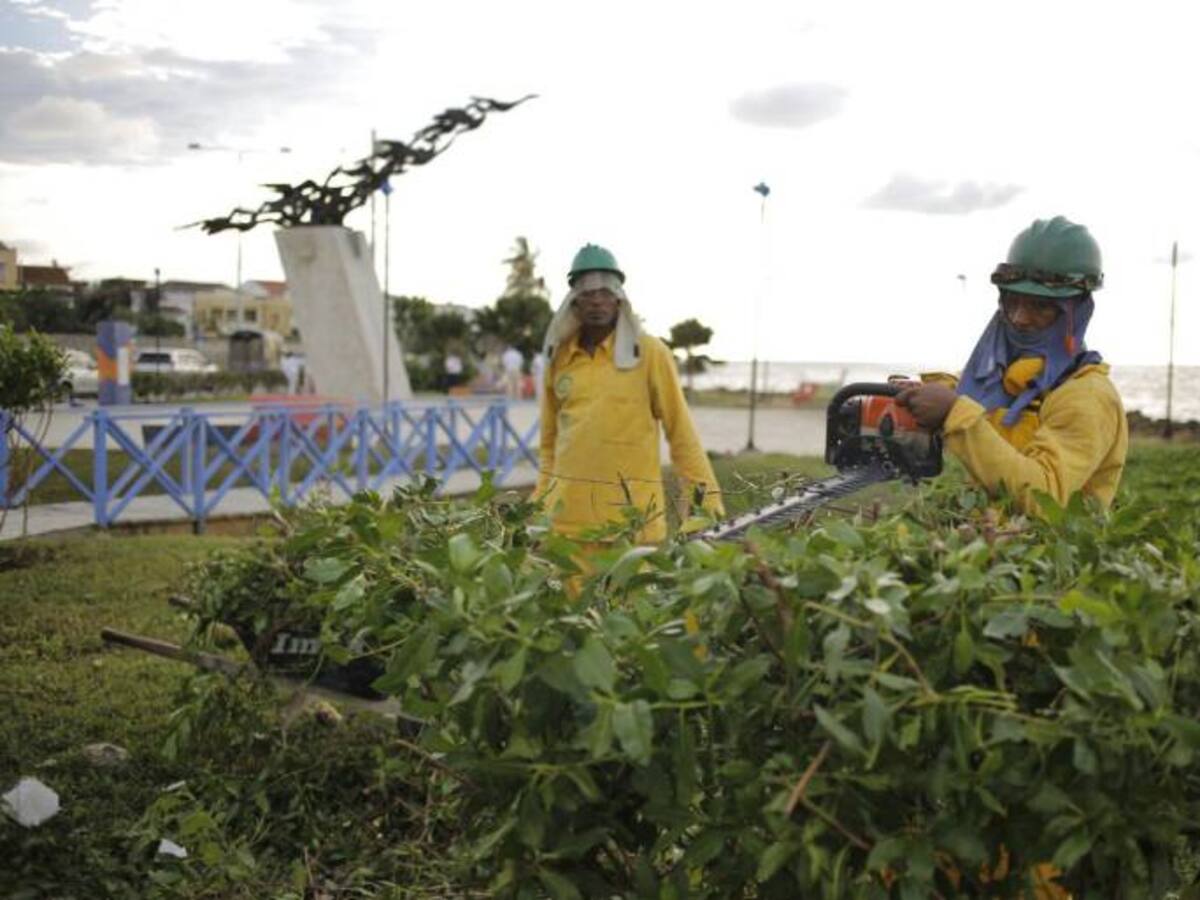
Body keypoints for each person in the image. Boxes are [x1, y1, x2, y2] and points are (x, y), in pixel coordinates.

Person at [897, 216, 1128, 515]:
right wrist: (925, 392)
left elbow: (1046, 498)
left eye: (1041, 306)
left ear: (1077, 312)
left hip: (1048, 556)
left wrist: (954, 413)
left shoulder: (1087, 397)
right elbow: (973, 394)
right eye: (1012, 301)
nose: (1019, 318)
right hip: (985, 542)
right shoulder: (1002, 378)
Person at [535, 243, 725, 543]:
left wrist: (706, 509)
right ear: (574, 300)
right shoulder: (558, 359)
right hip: (566, 528)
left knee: (632, 592)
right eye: (587, 292)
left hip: (633, 528)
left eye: (606, 291)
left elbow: (681, 435)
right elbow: (549, 444)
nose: (597, 300)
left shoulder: (650, 353)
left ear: (619, 299)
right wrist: (539, 510)